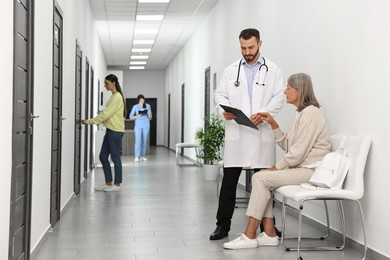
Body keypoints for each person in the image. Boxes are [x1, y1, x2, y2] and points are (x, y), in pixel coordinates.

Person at [223, 73, 331, 249]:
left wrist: (275, 168)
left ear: (299, 90)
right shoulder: (301, 113)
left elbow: (296, 154)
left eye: (289, 87)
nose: (285, 90)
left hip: (311, 171)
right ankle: (269, 233)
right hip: (301, 168)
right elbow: (289, 145)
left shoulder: (311, 113)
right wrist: (273, 123)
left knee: (261, 177)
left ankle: (249, 236)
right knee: (262, 178)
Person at [211, 28, 285, 240]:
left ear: (260, 43)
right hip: (237, 132)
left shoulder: (273, 70)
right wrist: (223, 110)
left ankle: (267, 226)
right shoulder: (230, 70)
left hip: (261, 131)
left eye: (251, 47)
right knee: (229, 184)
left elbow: (279, 97)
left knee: (264, 183)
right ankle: (222, 226)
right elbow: (219, 95)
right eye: (243, 48)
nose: (247, 52)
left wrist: (265, 114)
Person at [82, 74, 126, 192]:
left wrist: (89, 121)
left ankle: (117, 184)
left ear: (113, 83)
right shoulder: (113, 96)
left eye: (107, 83)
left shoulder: (117, 97)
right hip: (110, 130)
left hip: (115, 131)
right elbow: (107, 114)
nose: (105, 85)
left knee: (115, 157)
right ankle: (109, 182)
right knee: (102, 156)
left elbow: (106, 114)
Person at [129, 94, 152, 162]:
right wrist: (137, 116)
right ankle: (137, 156)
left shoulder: (148, 106)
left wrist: (149, 113)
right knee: (138, 141)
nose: (142, 101)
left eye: (143, 100)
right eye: (140, 100)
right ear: (138, 100)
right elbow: (130, 117)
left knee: (144, 141)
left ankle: (142, 156)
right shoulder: (135, 107)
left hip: (146, 125)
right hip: (138, 126)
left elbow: (150, 118)